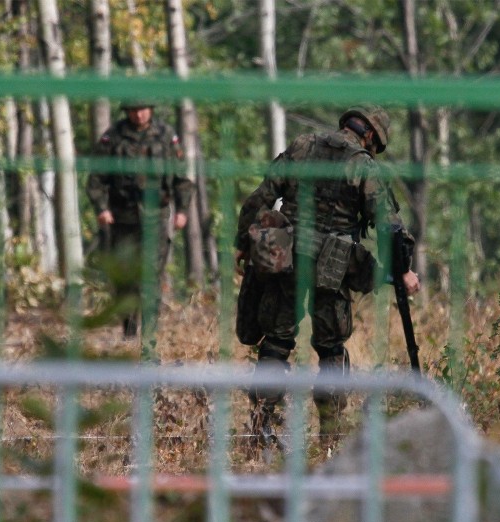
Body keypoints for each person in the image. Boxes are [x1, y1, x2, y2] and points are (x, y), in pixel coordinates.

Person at [234, 104, 421, 449]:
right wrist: (404, 269)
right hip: (331, 270)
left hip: (285, 260)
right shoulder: (362, 165)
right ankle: (331, 438)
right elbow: (389, 227)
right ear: (369, 136)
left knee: (276, 343)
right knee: (331, 348)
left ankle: (259, 429)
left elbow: (261, 197)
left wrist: (243, 243)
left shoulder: (303, 145)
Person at [86, 102, 193, 339]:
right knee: (125, 276)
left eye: (143, 109)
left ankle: (150, 334)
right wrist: (101, 207)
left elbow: (181, 177)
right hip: (123, 217)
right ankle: (130, 330)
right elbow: (96, 178)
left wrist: (183, 210)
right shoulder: (113, 137)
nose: (139, 114)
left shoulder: (165, 135)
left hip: (156, 215)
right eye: (133, 110)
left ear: (151, 109)